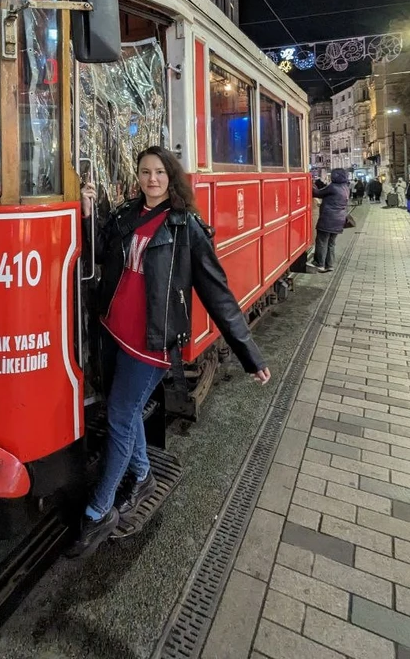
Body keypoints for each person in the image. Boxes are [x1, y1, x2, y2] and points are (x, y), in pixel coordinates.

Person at [68, 146, 270, 558]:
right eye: (145, 172)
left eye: (159, 172)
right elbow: (101, 245)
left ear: (171, 177)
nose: (152, 179)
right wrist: (89, 211)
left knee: (122, 415)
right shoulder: (127, 214)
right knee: (126, 410)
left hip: (154, 343)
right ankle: (142, 475)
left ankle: (100, 509)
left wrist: (249, 354)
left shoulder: (186, 226)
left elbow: (218, 294)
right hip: (115, 332)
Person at [311, 168, 350, 272]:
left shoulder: (333, 187)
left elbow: (317, 193)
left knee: (322, 241)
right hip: (339, 220)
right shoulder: (346, 187)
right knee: (331, 243)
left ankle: (319, 264)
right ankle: (330, 265)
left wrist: (310, 184)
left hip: (328, 219)